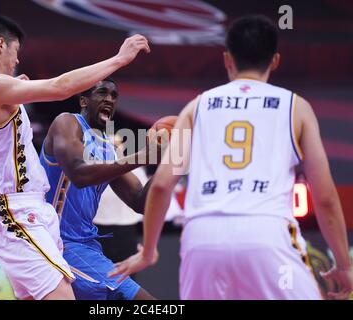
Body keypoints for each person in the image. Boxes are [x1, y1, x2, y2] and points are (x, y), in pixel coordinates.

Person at [109, 15, 353, 300]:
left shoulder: (196, 107)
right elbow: (324, 197)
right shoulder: (295, 107)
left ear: (227, 59)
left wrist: (148, 251)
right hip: (267, 233)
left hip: (202, 238)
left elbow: (162, 185)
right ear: (274, 61)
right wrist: (344, 265)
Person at [0, 15, 150, 300]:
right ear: (0, 45)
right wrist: (119, 59)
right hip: (18, 214)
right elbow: (61, 87)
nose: (17, 62)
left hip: (30, 214)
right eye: (15, 52)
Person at [40, 78, 159, 300]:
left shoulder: (108, 149)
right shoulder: (66, 123)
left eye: (114, 96)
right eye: (102, 93)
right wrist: (144, 155)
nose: (109, 99)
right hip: (57, 242)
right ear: (84, 100)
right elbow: (79, 173)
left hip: (88, 244)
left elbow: (140, 201)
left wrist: (166, 162)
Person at [94, 135, 146, 265]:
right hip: (98, 231)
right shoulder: (94, 170)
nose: (115, 147)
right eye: (111, 144)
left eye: (118, 144)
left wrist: (148, 243)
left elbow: (147, 204)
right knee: (100, 278)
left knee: (125, 278)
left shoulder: (137, 171)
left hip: (126, 232)